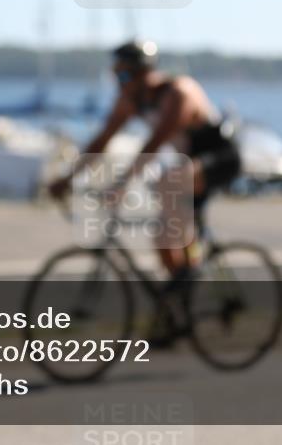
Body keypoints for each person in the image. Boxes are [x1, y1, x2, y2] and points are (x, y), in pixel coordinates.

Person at [48, 40, 241, 280]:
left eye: (124, 76)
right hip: (189, 165)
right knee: (161, 235)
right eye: (115, 77)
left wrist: (122, 184)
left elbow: (154, 144)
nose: (120, 84)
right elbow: (100, 143)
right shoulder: (129, 101)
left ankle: (190, 272)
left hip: (220, 158)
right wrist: (67, 179)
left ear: (144, 73)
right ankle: (180, 297)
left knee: (168, 183)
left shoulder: (179, 92)